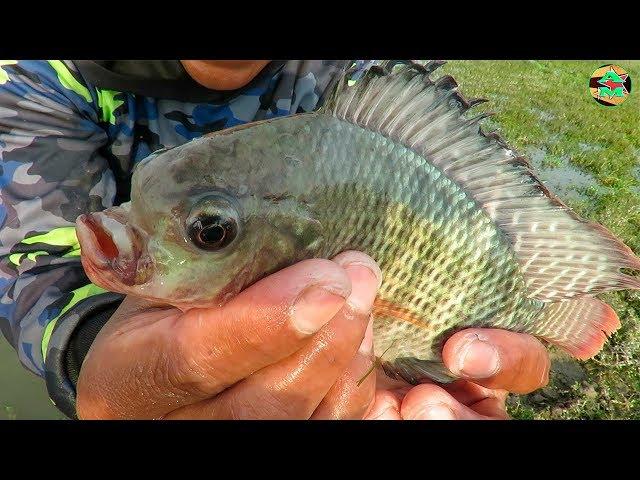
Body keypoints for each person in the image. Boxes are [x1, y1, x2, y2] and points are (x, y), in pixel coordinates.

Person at [0, 60, 551, 419]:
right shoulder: (41, 83)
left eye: (209, 232)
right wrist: (94, 354)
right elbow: (31, 266)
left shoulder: (363, 75)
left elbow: (476, 194)